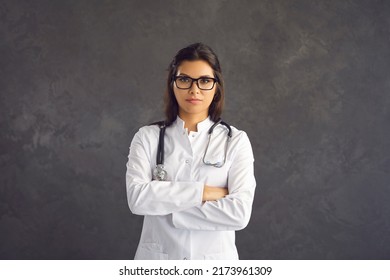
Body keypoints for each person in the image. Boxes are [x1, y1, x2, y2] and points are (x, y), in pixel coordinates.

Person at [126, 42, 256, 260]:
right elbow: (137, 199)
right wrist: (205, 192)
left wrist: (165, 205)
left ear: (216, 87)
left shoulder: (236, 141)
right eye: (184, 79)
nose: (194, 89)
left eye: (204, 80)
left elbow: (239, 214)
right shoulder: (147, 137)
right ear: (172, 84)